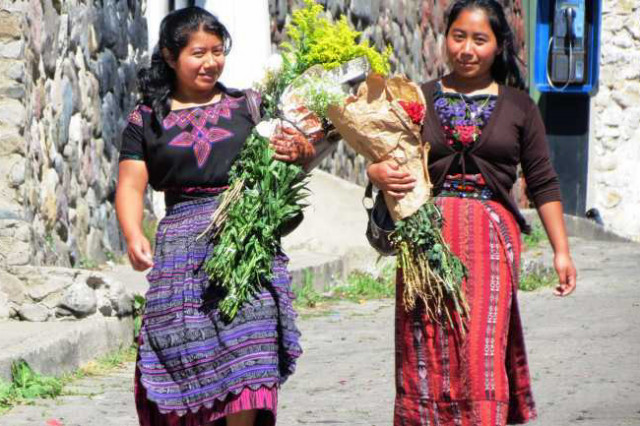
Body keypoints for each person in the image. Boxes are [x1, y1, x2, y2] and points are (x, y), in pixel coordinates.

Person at [366, 1, 577, 425]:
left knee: (480, 344)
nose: (466, 49)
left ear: (498, 46)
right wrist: (377, 170)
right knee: (424, 341)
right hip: (426, 238)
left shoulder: (520, 107)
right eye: (458, 36)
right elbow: (384, 155)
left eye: (480, 40)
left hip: (491, 240)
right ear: (446, 38)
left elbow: (542, 182)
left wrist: (562, 251)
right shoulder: (418, 98)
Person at [116, 7, 310, 426]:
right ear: (170, 56)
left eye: (217, 52)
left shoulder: (251, 106)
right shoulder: (147, 119)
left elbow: (292, 157)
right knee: (192, 358)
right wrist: (133, 234)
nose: (210, 62)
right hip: (182, 252)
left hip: (248, 247)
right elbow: (131, 185)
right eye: (198, 53)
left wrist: (298, 152)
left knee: (250, 360)